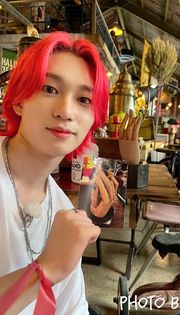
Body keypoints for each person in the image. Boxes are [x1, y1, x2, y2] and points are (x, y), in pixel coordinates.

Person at [0, 31, 116, 314]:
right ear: (18, 100)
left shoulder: (63, 210)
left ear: (93, 121)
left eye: (84, 100)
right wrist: (46, 270)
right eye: (49, 89)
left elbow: (72, 307)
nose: (66, 111)